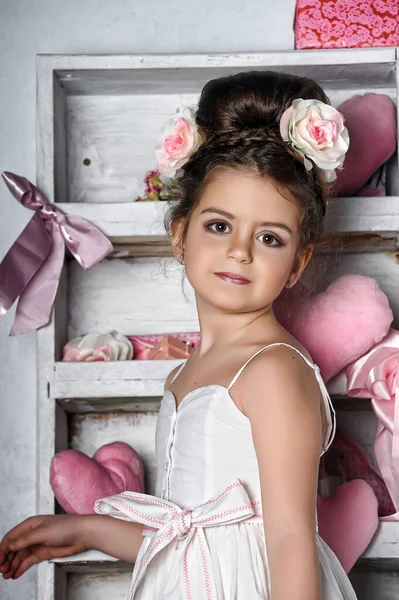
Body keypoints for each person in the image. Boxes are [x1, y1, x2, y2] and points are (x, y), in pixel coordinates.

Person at [0, 70, 357, 600]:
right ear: (180, 234)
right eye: (219, 225)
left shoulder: (273, 370)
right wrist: (82, 529)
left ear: (298, 262)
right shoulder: (185, 374)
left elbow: (286, 540)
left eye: (269, 237)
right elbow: (191, 537)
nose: (240, 251)